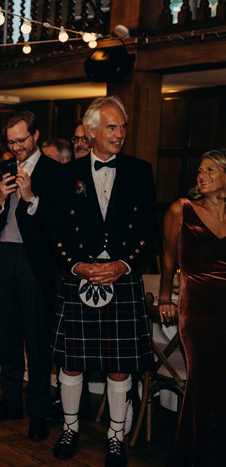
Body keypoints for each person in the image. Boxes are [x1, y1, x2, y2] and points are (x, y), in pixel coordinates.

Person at [51, 96, 157, 467]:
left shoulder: (140, 171)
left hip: (121, 278)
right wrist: (76, 266)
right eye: (112, 127)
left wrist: (125, 264)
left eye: (123, 127)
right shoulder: (67, 175)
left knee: (118, 364)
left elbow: (149, 231)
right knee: (72, 363)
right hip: (79, 276)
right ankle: (70, 428)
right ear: (92, 131)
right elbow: (56, 232)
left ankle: (115, 437)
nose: (120, 134)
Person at [0, 111, 61, 444]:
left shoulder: (54, 172)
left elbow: (57, 226)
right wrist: (0, 199)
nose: (16, 147)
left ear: (36, 135)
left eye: (21, 140)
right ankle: (10, 402)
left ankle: (38, 412)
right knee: (8, 334)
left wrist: (31, 200)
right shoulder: (5, 168)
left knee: (36, 339)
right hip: (2, 256)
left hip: (33, 260)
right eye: (11, 142)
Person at [159, 149, 226, 466]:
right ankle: (188, 455)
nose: (202, 176)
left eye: (211, 170)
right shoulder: (181, 209)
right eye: (200, 171)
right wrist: (164, 298)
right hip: (196, 309)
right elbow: (169, 260)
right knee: (199, 382)